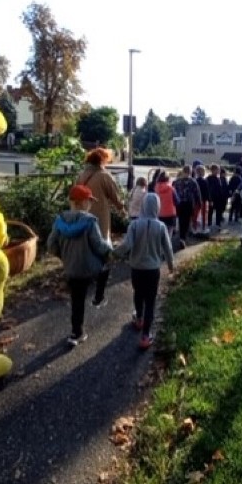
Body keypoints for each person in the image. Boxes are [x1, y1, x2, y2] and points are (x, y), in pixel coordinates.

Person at [46, 185, 114, 347]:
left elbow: (50, 244)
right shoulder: (90, 222)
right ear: (83, 203)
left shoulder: (60, 221)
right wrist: (110, 251)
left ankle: (76, 333)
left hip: (71, 269)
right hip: (89, 268)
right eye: (89, 201)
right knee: (106, 268)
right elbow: (99, 246)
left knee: (77, 300)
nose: (90, 205)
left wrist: (63, 256)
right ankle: (98, 298)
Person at [112, 193, 175, 350]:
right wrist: (171, 265)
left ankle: (138, 318)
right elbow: (168, 248)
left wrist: (113, 254)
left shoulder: (134, 225)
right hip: (153, 269)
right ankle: (146, 335)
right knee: (151, 300)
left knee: (138, 293)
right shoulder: (161, 227)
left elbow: (127, 246)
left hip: (136, 268)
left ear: (143, 206)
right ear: (157, 207)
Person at [75, 147, 126, 304]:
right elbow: (115, 196)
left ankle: (84, 272)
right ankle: (98, 275)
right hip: (99, 217)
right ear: (103, 160)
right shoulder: (104, 176)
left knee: (86, 243)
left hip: (81, 215)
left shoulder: (81, 175)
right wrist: (122, 209)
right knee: (102, 243)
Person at [172, 165, 201, 247]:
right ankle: (183, 238)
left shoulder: (176, 182)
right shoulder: (193, 182)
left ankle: (181, 237)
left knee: (181, 220)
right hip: (189, 203)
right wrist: (199, 203)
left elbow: (173, 193)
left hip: (179, 204)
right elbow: (197, 193)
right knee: (187, 221)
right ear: (190, 172)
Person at [153, 170, 179, 240]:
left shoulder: (156, 189)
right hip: (170, 214)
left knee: (160, 233)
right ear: (168, 179)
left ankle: (160, 248)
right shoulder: (171, 189)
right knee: (168, 235)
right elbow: (177, 201)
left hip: (159, 214)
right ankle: (167, 248)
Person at [206, 164, 228, 229]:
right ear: (213, 170)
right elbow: (209, 189)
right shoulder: (209, 179)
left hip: (219, 198)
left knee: (219, 211)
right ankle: (209, 223)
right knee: (210, 211)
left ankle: (218, 223)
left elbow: (220, 188)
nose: (218, 171)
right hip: (212, 198)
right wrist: (210, 199)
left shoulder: (218, 179)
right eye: (217, 170)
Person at [193, 164, 210, 234]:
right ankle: (203, 228)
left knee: (195, 214)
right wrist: (209, 199)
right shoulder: (205, 181)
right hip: (203, 199)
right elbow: (207, 191)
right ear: (203, 172)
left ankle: (195, 228)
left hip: (196, 200)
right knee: (204, 214)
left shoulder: (195, 181)